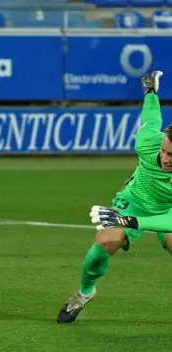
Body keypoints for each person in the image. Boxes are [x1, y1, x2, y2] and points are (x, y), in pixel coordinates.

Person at [57, 71, 172, 323]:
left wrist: (131, 222)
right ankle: (85, 292)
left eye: (171, 156)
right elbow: (152, 119)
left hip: (168, 210)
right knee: (106, 243)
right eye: (165, 151)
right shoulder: (147, 143)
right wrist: (151, 93)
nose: (165, 158)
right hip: (135, 199)